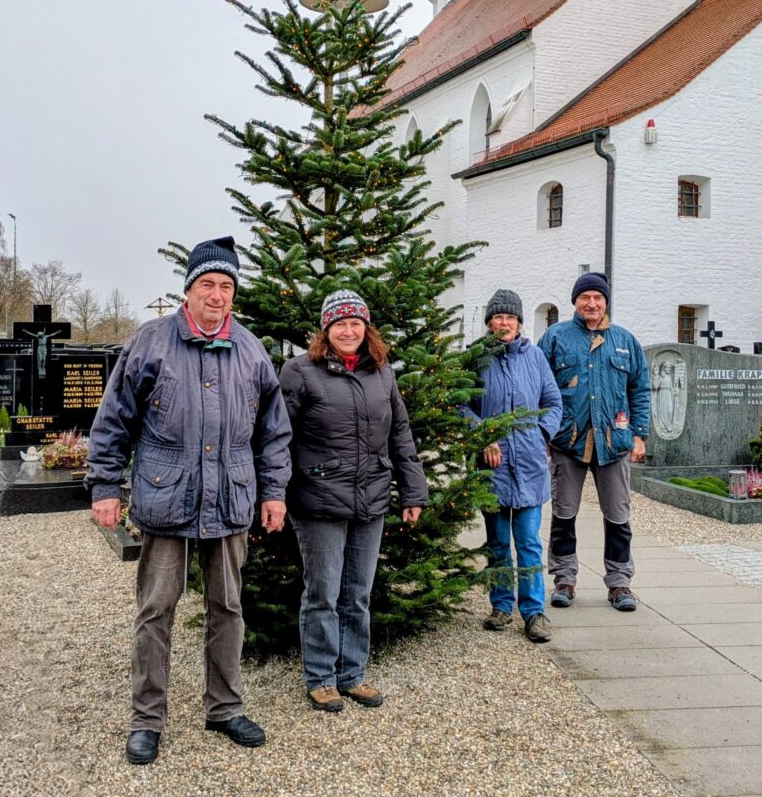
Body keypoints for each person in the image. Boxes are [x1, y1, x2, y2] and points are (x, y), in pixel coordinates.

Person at [85, 236, 292, 765]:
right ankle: (146, 718)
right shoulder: (150, 342)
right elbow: (113, 420)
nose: (217, 295)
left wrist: (273, 492)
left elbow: (273, 432)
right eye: (208, 284)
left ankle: (224, 708)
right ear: (189, 290)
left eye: (226, 286)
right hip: (165, 496)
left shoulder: (250, 349)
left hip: (229, 499)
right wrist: (105, 486)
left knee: (228, 607)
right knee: (156, 610)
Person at [278, 289, 428, 713]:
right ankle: (321, 678)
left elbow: (400, 434)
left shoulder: (382, 373)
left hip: (371, 498)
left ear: (366, 328)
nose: (348, 331)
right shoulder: (299, 372)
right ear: (326, 329)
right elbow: (278, 436)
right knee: (323, 594)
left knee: (358, 593)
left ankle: (352, 674)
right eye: (340, 323)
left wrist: (413, 490)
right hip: (319, 500)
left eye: (355, 323)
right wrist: (274, 493)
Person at [537, 272, 650, 613]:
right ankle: (564, 580)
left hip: (614, 443)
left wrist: (639, 434)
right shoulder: (555, 338)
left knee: (618, 517)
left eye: (597, 297)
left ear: (606, 301)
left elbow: (640, 389)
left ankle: (619, 583)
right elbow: (539, 388)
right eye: (584, 297)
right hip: (567, 442)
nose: (591, 303)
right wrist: (543, 433)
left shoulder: (625, 341)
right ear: (575, 301)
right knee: (563, 514)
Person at [461, 289, 562, 643]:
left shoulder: (535, 358)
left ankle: (534, 612)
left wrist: (541, 433)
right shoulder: (476, 359)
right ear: (489, 322)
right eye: (498, 317)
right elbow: (461, 405)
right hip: (493, 467)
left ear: (519, 322)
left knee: (529, 543)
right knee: (499, 542)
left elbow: (554, 402)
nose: (504, 323)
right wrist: (483, 435)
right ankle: (501, 605)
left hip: (530, 465)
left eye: (510, 317)